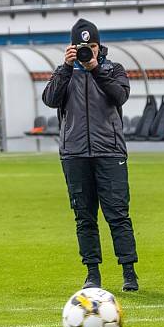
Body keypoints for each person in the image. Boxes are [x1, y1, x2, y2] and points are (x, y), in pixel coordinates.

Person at [42, 19, 139, 291]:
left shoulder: (113, 69)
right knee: (84, 217)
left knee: (118, 214)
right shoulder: (64, 72)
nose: (89, 52)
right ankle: (92, 273)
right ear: (72, 47)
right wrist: (65, 68)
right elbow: (50, 99)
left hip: (109, 152)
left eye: (93, 46)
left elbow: (120, 96)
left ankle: (129, 273)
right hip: (74, 154)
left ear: (100, 46)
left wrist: (95, 69)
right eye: (83, 47)